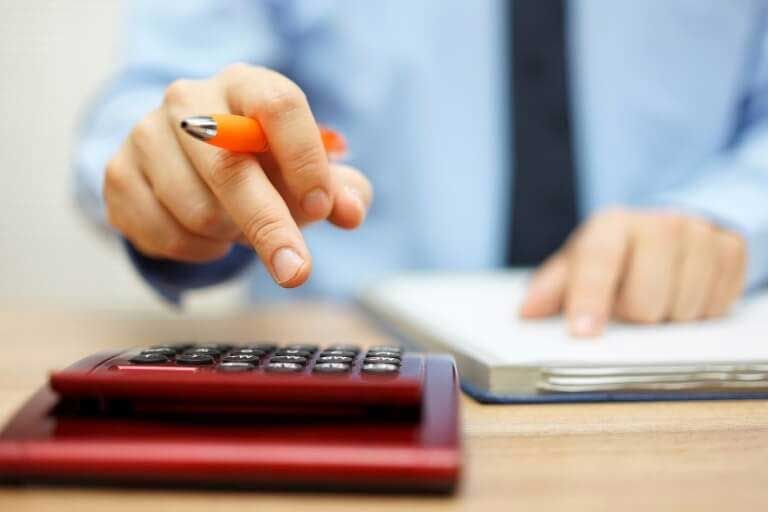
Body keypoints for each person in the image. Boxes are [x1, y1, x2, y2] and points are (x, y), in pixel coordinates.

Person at [75, 0, 768, 337]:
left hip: (669, 352)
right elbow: (156, 105)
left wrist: (730, 218)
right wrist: (169, 170)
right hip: (349, 366)